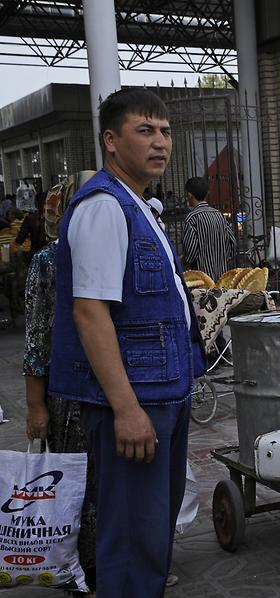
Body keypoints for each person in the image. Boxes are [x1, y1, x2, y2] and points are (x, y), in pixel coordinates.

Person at [48, 88, 206, 598]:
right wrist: (126, 409)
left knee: (153, 526)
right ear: (111, 142)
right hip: (137, 398)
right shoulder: (103, 207)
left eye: (165, 131)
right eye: (145, 131)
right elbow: (90, 314)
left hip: (162, 389)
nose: (161, 142)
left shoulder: (138, 203)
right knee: (134, 533)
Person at [24, 172, 97, 596]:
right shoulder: (48, 262)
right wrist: (36, 407)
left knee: (112, 484)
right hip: (68, 393)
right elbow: (36, 340)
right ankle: (81, 574)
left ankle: (114, 564)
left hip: (116, 389)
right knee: (74, 485)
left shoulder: (114, 251)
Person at [181, 176, 236, 283]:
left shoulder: (192, 218)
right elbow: (232, 244)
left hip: (201, 279)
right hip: (222, 277)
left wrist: (185, 261)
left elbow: (190, 253)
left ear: (189, 195)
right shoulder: (219, 215)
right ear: (207, 194)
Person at [15, 191, 48, 259]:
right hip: (53, 256)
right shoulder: (56, 219)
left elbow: (20, 239)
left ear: (36, 204)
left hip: (36, 255)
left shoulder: (30, 219)